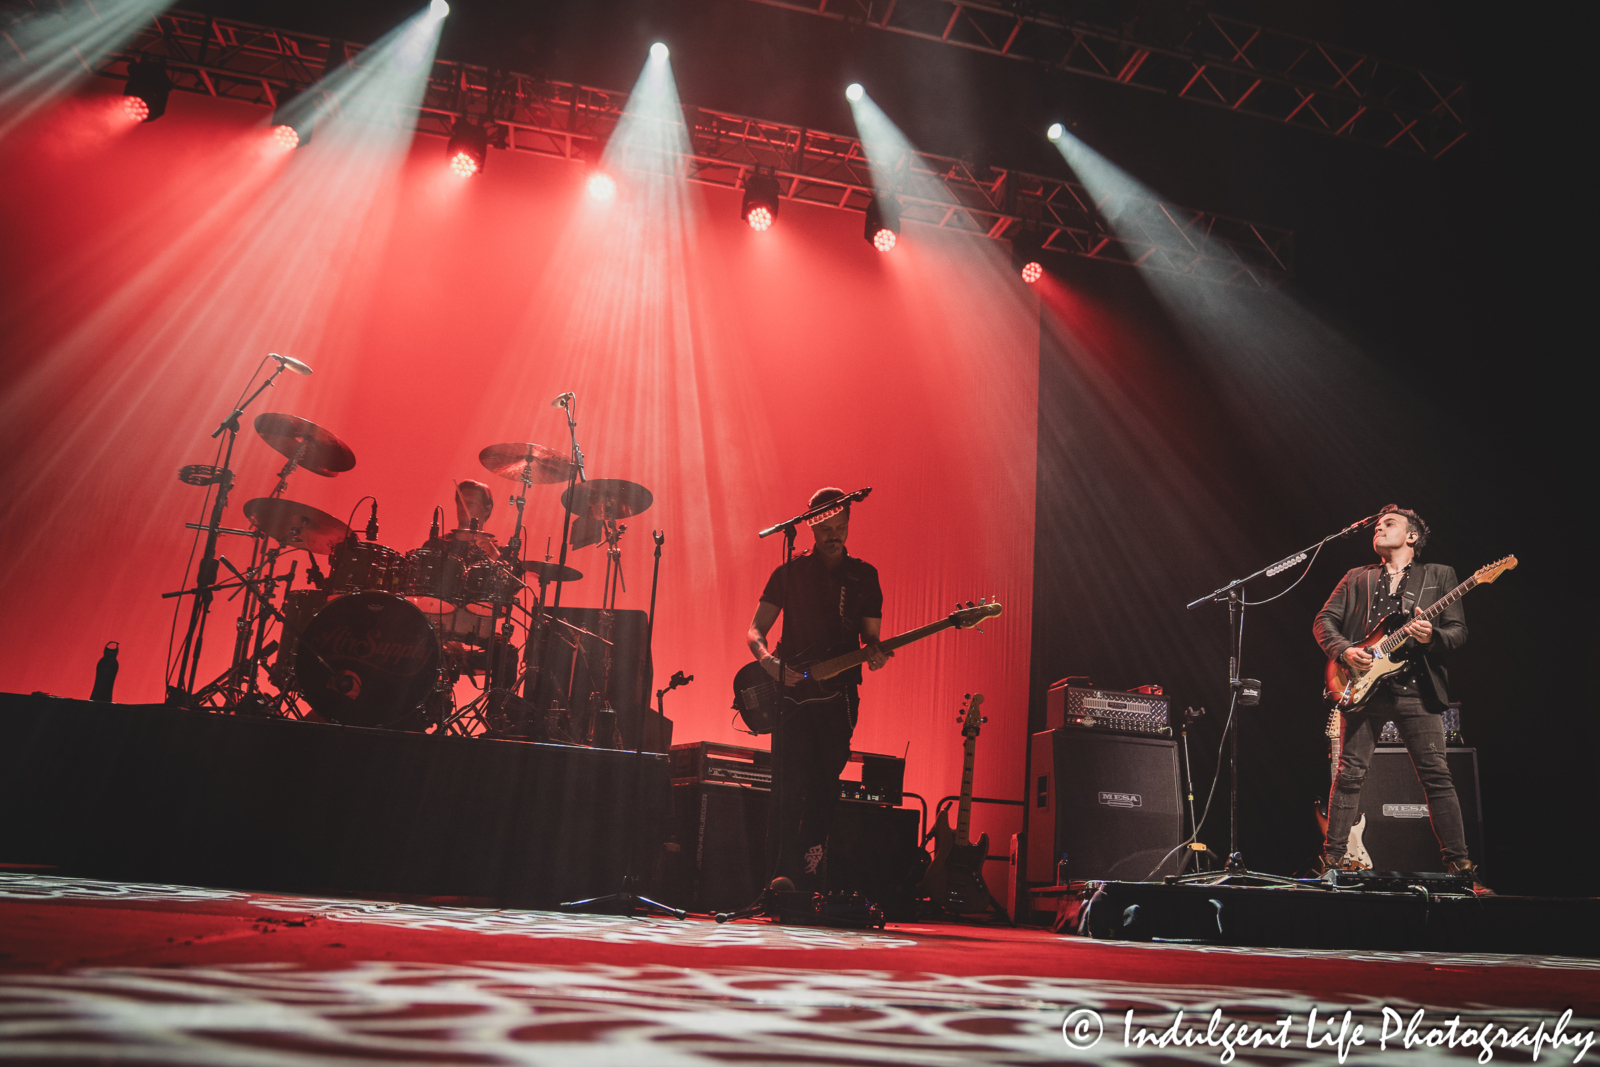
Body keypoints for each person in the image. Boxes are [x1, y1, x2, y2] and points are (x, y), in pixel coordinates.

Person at [1313, 505, 1489, 893]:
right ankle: (1332, 862)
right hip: (1361, 689)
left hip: (1417, 690)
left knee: (1437, 778)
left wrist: (1432, 636)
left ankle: (1462, 869)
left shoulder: (1440, 575)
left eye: (1389, 524)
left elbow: (1457, 632)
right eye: (1377, 525)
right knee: (1348, 775)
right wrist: (1344, 651)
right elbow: (1323, 621)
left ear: (1412, 537)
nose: (1379, 528)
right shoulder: (1356, 577)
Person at [746, 487, 891, 889]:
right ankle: (777, 876)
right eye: (826, 527)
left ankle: (808, 871)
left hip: (839, 694)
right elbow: (756, 630)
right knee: (787, 786)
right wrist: (769, 662)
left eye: (841, 527)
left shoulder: (864, 575)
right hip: (791, 697)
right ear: (810, 525)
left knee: (825, 783)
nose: (834, 535)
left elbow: (871, 639)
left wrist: (875, 654)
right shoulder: (789, 572)